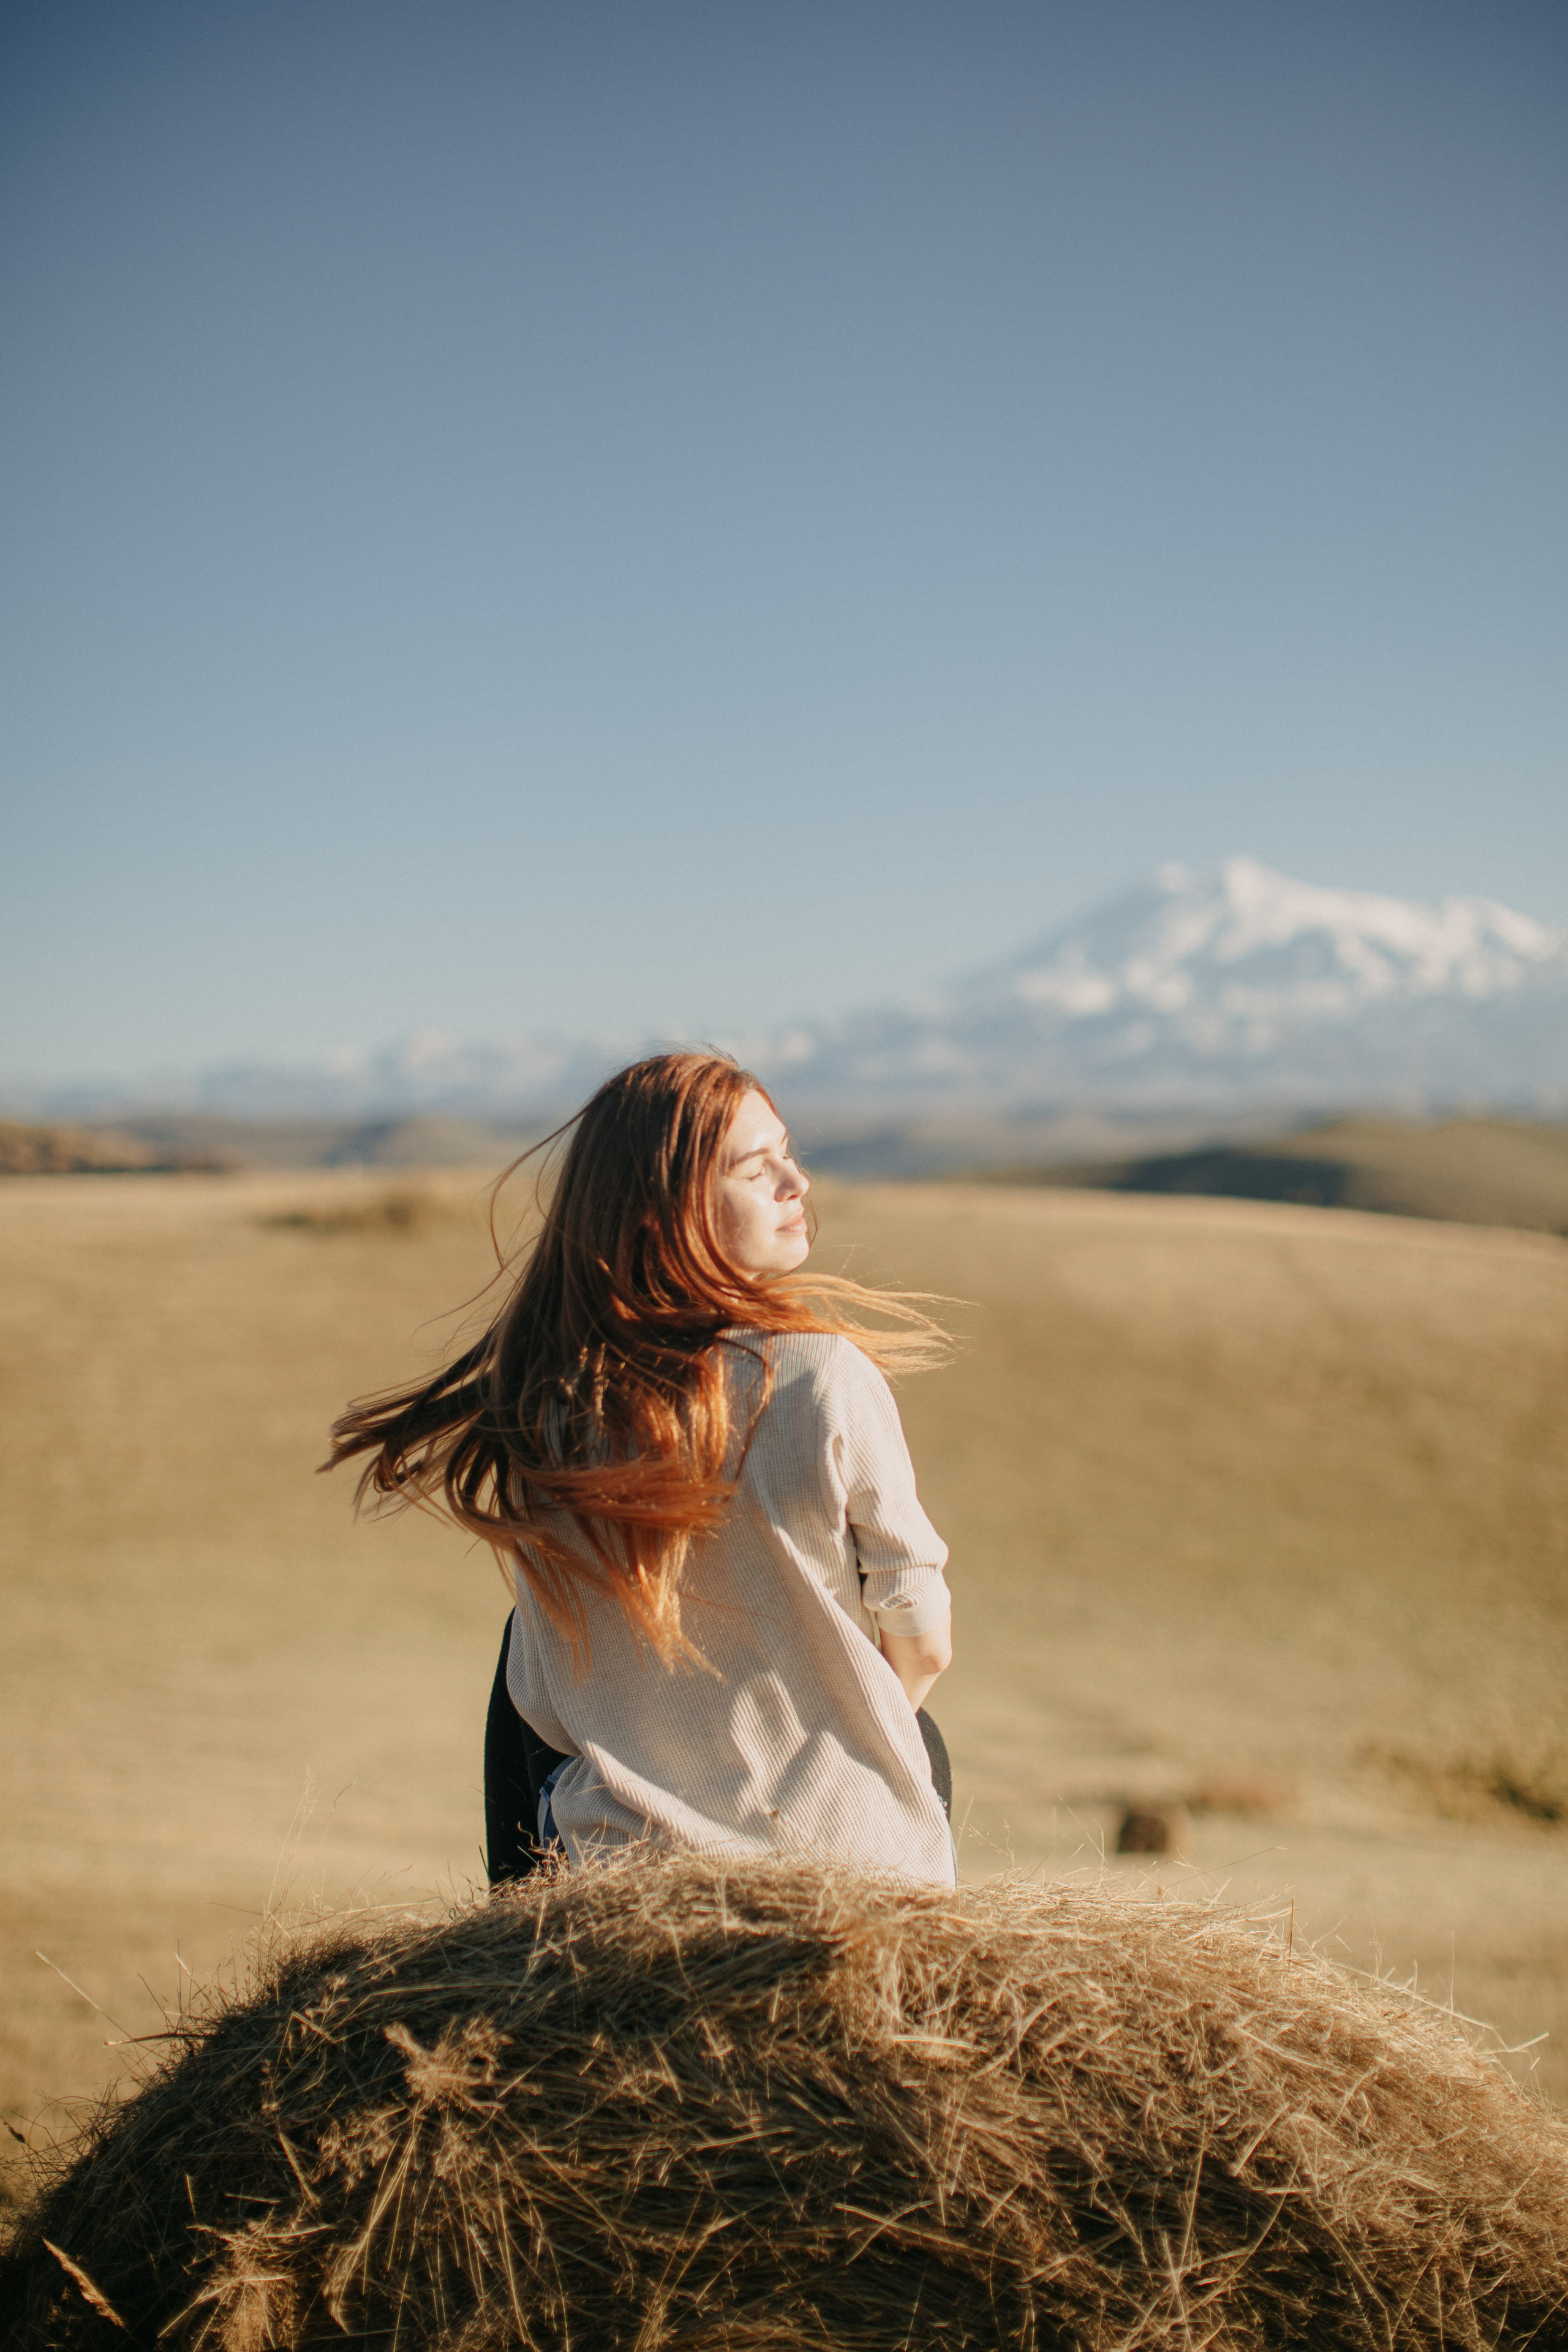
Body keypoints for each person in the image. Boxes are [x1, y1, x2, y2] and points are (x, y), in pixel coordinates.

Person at [326, 1052, 957, 1888]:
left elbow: (544, 1709)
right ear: (667, 1215)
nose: (795, 1181)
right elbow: (922, 1633)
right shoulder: (824, 1376)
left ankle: (516, 1945)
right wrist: (851, 1728)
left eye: (788, 1154)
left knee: (520, 1644)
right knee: (928, 1749)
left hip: (626, 1869)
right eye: (755, 1168)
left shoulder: (546, 1410)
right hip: (861, 1859)